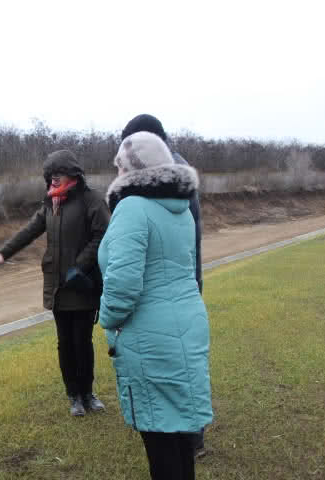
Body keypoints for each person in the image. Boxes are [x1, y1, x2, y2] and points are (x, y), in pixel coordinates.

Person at [99, 132, 213, 480]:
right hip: (184, 326)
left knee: (160, 439)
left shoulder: (132, 207)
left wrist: (108, 320)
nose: (117, 173)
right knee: (178, 434)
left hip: (151, 336)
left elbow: (123, 283)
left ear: (134, 168)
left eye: (120, 166)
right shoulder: (179, 208)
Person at [0, 150, 110, 416]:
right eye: (50, 175)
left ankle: (88, 393)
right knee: (65, 343)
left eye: (58, 174)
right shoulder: (51, 202)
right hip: (58, 286)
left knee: (82, 342)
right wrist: (2, 253)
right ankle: (73, 396)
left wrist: (79, 265)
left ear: (73, 174)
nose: (53, 179)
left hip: (82, 284)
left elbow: (103, 235)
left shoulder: (92, 200)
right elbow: (29, 231)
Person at [121, 114, 207, 456]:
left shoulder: (165, 177)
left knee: (174, 366)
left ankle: (188, 438)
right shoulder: (177, 172)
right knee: (184, 363)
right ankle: (188, 437)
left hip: (170, 285)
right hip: (185, 284)